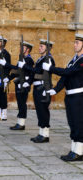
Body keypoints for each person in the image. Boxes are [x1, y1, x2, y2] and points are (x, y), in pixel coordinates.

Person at [42, 33, 83, 161]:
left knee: (78, 124)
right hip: (70, 96)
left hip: (78, 96)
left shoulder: (82, 61)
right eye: (74, 42)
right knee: (72, 123)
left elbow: (69, 72)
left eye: (77, 43)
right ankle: (73, 150)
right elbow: (65, 77)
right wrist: (55, 90)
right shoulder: (73, 60)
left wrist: (51, 68)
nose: (74, 44)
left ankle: (79, 152)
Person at [18, 39, 55, 143]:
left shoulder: (49, 59)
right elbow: (35, 74)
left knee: (43, 111)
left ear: (48, 48)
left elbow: (38, 71)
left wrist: (24, 66)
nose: (39, 48)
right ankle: (41, 133)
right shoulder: (40, 59)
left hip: (43, 88)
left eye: (42, 47)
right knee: (39, 111)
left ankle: (45, 135)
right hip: (37, 87)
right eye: (40, 46)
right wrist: (28, 82)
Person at [0, 41, 34, 130]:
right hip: (19, 83)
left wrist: (28, 83)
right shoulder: (21, 59)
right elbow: (16, 71)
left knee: (22, 103)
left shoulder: (29, 60)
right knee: (20, 103)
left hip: (24, 84)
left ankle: (21, 124)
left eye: (23, 47)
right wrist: (9, 78)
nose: (20, 49)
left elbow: (31, 73)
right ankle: (19, 122)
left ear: (28, 50)